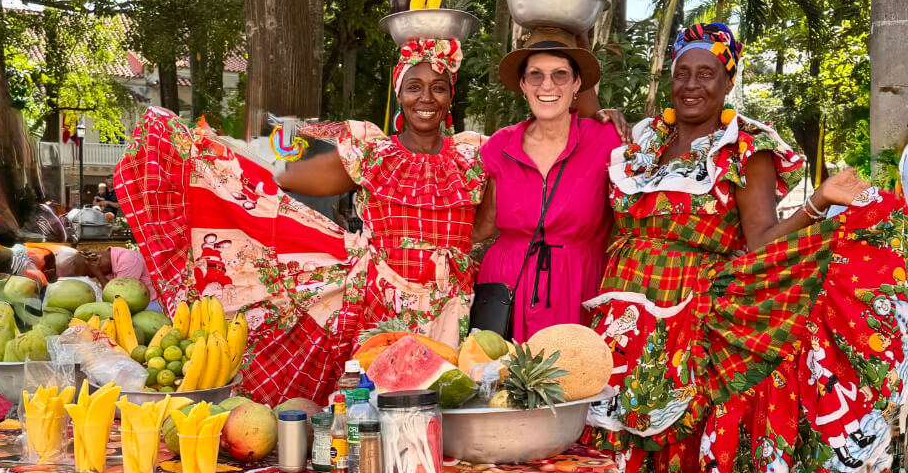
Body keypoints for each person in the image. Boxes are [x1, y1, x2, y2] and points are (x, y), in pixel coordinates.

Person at [580, 22, 908, 473]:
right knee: (624, 458)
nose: (691, 85)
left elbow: (759, 242)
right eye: (682, 73)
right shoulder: (642, 144)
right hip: (621, 323)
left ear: (728, 80)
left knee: (684, 450)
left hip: (691, 323)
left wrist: (818, 203)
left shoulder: (745, 148)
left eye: (706, 73)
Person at [115, 36, 486, 405]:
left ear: (450, 96)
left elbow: (485, 226)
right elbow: (285, 176)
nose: (426, 98)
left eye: (438, 88)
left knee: (447, 412)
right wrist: (224, 149)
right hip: (378, 307)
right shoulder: (374, 153)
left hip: (451, 307)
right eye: (414, 87)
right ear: (399, 94)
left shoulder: (474, 156)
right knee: (374, 413)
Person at [473, 27, 628, 340]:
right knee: (500, 383)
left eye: (560, 74)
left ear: (576, 84)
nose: (547, 85)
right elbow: (482, 227)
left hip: (579, 287)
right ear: (522, 84)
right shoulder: (498, 146)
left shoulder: (608, 141)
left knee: (578, 383)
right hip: (506, 290)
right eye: (535, 75)